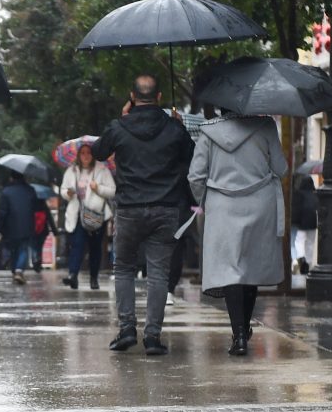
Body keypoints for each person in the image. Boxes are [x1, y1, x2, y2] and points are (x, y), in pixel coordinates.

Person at [92, 74, 194, 355]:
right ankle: (152, 337)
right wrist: (179, 126)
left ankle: (126, 329)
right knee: (158, 273)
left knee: (123, 267)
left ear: (132, 97)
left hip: (129, 210)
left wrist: (122, 119)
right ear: (159, 97)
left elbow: (99, 151)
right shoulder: (174, 128)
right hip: (166, 208)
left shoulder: (119, 126)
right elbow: (191, 159)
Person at [188, 111, 286, 356]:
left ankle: (239, 335)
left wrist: (206, 200)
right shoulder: (266, 126)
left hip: (222, 207)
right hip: (260, 203)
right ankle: (244, 328)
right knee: (250, 266)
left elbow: (195, 175)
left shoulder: (208, 131)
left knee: (230, 269)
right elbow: (281, 167)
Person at [60, 142, 115, 290]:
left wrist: (98, 188)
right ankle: (73, 275)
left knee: (95, 247)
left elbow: (112, 191)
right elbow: (63, 190)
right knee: (77, 245)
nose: (85, 156)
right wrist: (68, 193)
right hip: (77, 214)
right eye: (82, 153)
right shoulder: (71, 171)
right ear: (78, 155)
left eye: (88, 153)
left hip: (96, 215)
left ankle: (94, 278)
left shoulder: (102, 170)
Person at [0, 170, 37, 285]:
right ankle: (19, 270)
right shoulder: (30, 190)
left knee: (13, 250)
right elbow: (35, 208)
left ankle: (15, 271)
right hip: (27, 225)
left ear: (11, 178)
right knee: (23, 248)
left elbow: (2, 213)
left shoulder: (6, 192)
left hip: (10, 226)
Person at [291, 174, 318, 274]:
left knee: (299, 241)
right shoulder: (315, 194)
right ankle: (308, 262)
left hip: (301, 222)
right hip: (313, 222)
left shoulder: (299, 194)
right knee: (310, 243)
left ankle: (301, 259)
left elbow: (296, 208)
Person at [29, 189, 57, 273]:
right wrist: (54, 230)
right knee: (40, 246)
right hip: (43, 230)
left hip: (32, 230)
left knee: (33, 246)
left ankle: (35, 260)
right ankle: (38, 261)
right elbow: (50, 219)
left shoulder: (30, 205)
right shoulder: (44, 206)